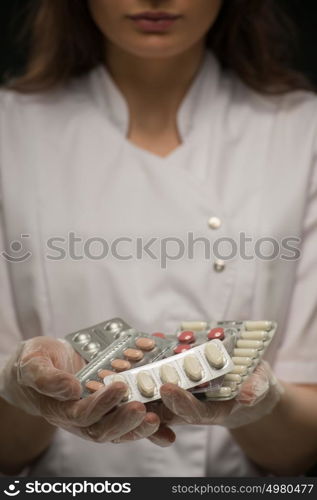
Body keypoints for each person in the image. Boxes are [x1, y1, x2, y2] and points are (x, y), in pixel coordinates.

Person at [0, 0, 317, 478]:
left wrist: (261, 401)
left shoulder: (300, 133)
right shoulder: (12, 131)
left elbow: (300, 451)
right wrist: (26, 391)